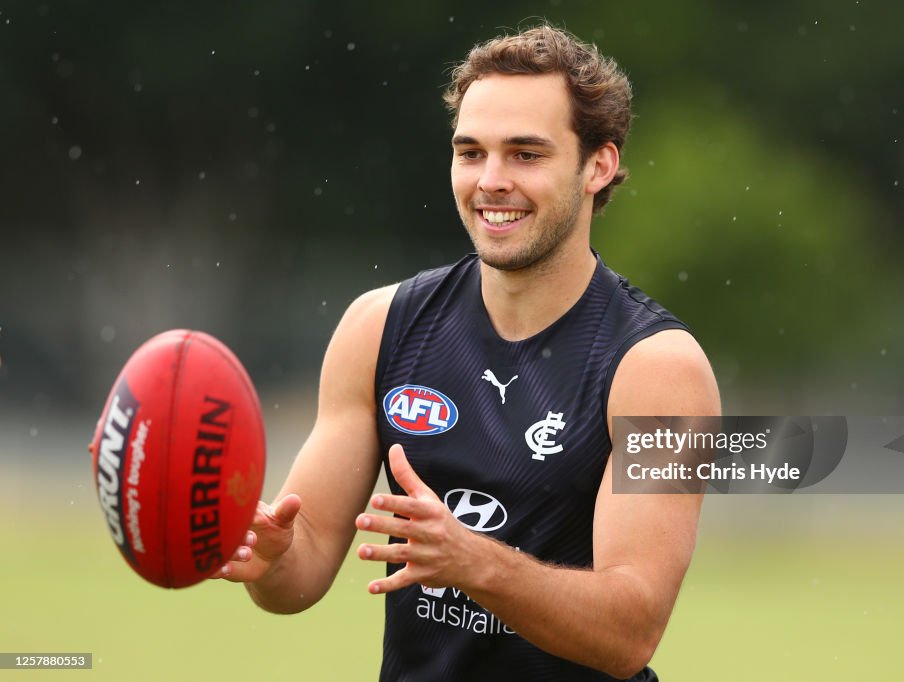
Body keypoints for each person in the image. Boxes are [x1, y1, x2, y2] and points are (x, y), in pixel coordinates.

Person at [219, 24, 720, 681]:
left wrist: (476, 561)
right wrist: (269, 558)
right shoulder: (379, 328)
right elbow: (299, 573)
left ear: (597, 165)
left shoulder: (660, 369)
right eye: (470, 152)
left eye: (525, 154)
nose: (490, 181)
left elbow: (631, 633)